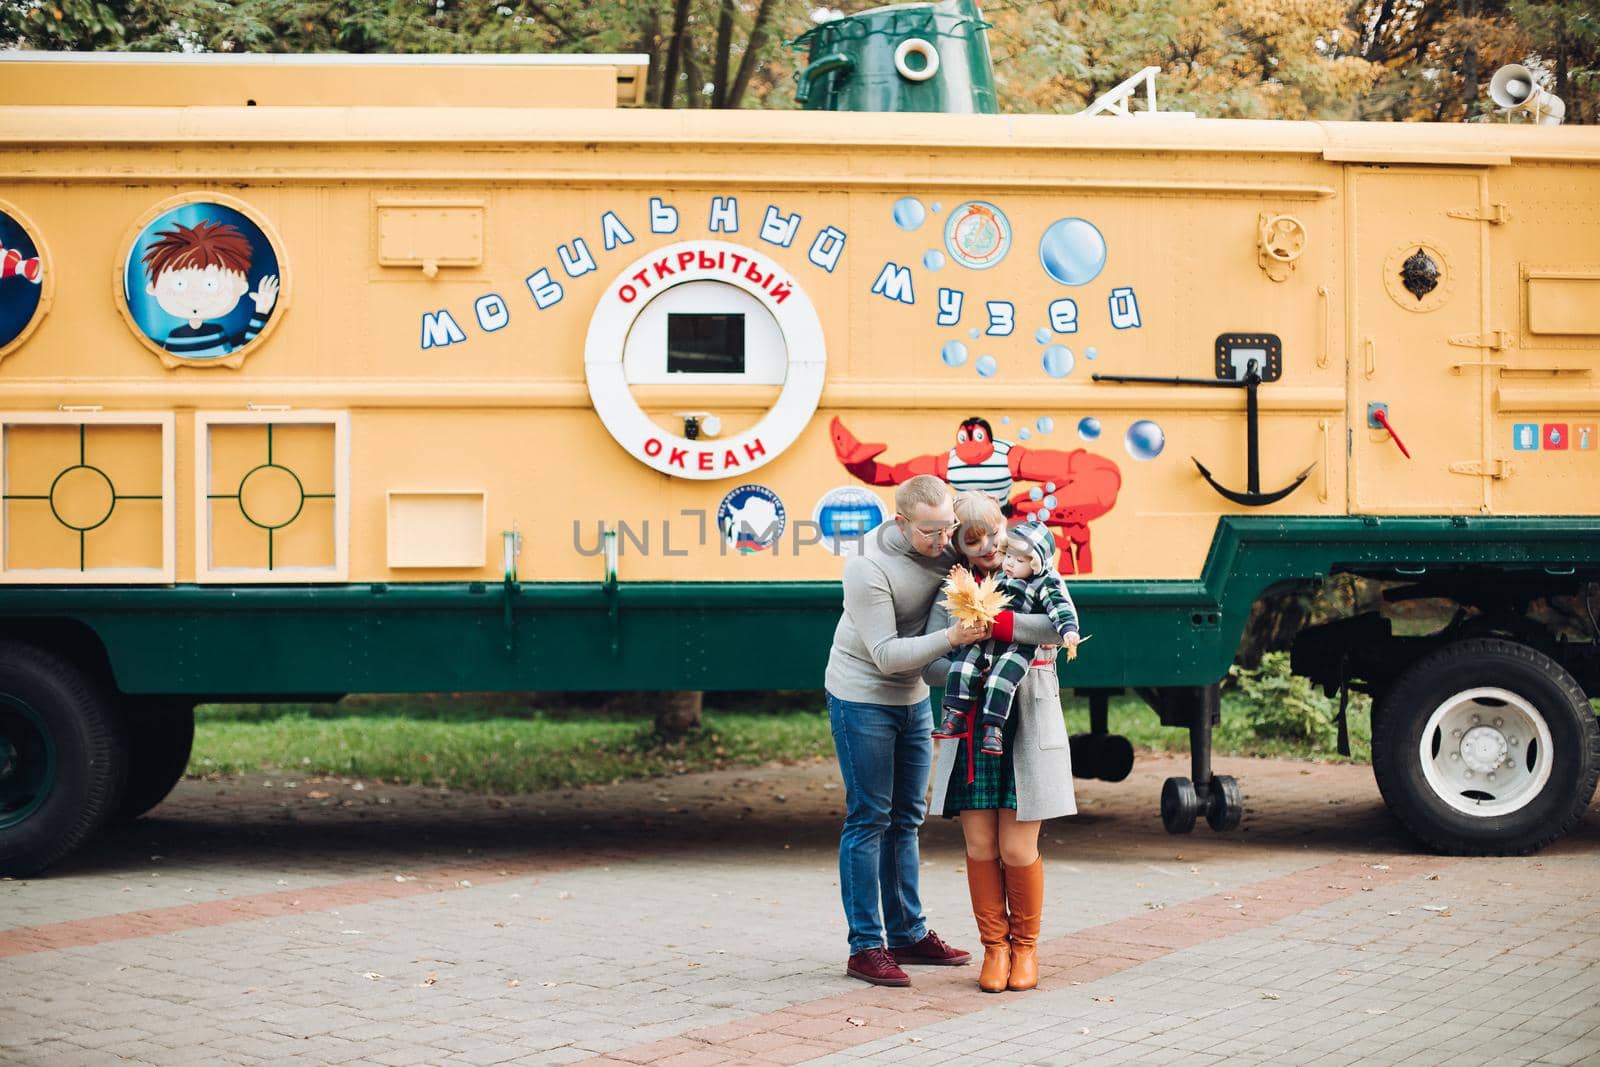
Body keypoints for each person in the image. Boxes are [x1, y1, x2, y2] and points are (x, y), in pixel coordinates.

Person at [824, 473, 988, 987]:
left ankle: (908, 934)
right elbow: (889, 657)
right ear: (901, 522)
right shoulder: (868, 567)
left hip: (913, 696)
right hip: (863, 696)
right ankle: (865, 947)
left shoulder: (948, 548)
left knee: (908, 817)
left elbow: (932, 663)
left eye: (949, 530)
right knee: (870, 817)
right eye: (930, 533)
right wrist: (953, 637)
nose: (942, 543)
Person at [923, 492, 1077, 994]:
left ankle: (1026, 948)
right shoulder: (954, 588)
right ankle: (995, 948)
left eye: (992, 533)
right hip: (973, 724)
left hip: (1026, 722)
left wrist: (1001, 625)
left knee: (1016, 848)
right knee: (980, 844)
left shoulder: (1033, 572)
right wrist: (970, 661)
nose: (987, 545)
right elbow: (930, 665)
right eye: (972, 536)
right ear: (960, 542)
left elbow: (1059, 627)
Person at [937, 521, 1080, 756]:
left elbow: (1059, 608)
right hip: (986, 643)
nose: (1010, 563)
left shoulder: (1044, 582)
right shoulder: (1001, 577)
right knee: (961, 666)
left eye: (1020, 560)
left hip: (1017, 647)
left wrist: (1068, 630)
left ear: (1035, 562)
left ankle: (993, 727)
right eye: (1009, 556)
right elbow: (979, 601)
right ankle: (955, 714)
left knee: (1001, 680)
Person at [141, 219, 279, 358]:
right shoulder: (174, 337)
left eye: (210, 285)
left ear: (241, 286)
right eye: (179, 284)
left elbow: (239, 352)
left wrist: (261, 311)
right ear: (153, 288)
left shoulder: (216, 333)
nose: (194, 295)